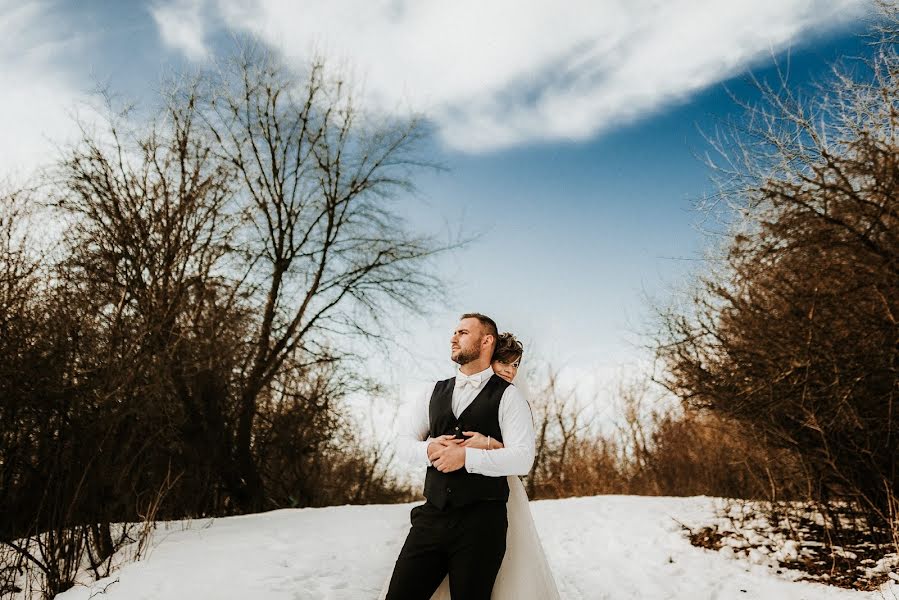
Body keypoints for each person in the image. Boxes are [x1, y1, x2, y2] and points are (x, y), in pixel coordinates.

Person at [382, 314, 536, 600]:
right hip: (431, 519)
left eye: (463, 332)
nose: (453, 338)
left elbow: (523, 458)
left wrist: (466, 458)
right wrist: (427, 449)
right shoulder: (432, 391)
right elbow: (401, 443)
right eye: (454, 332)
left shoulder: (509, 397)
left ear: (486, 340)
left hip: (481, 525)